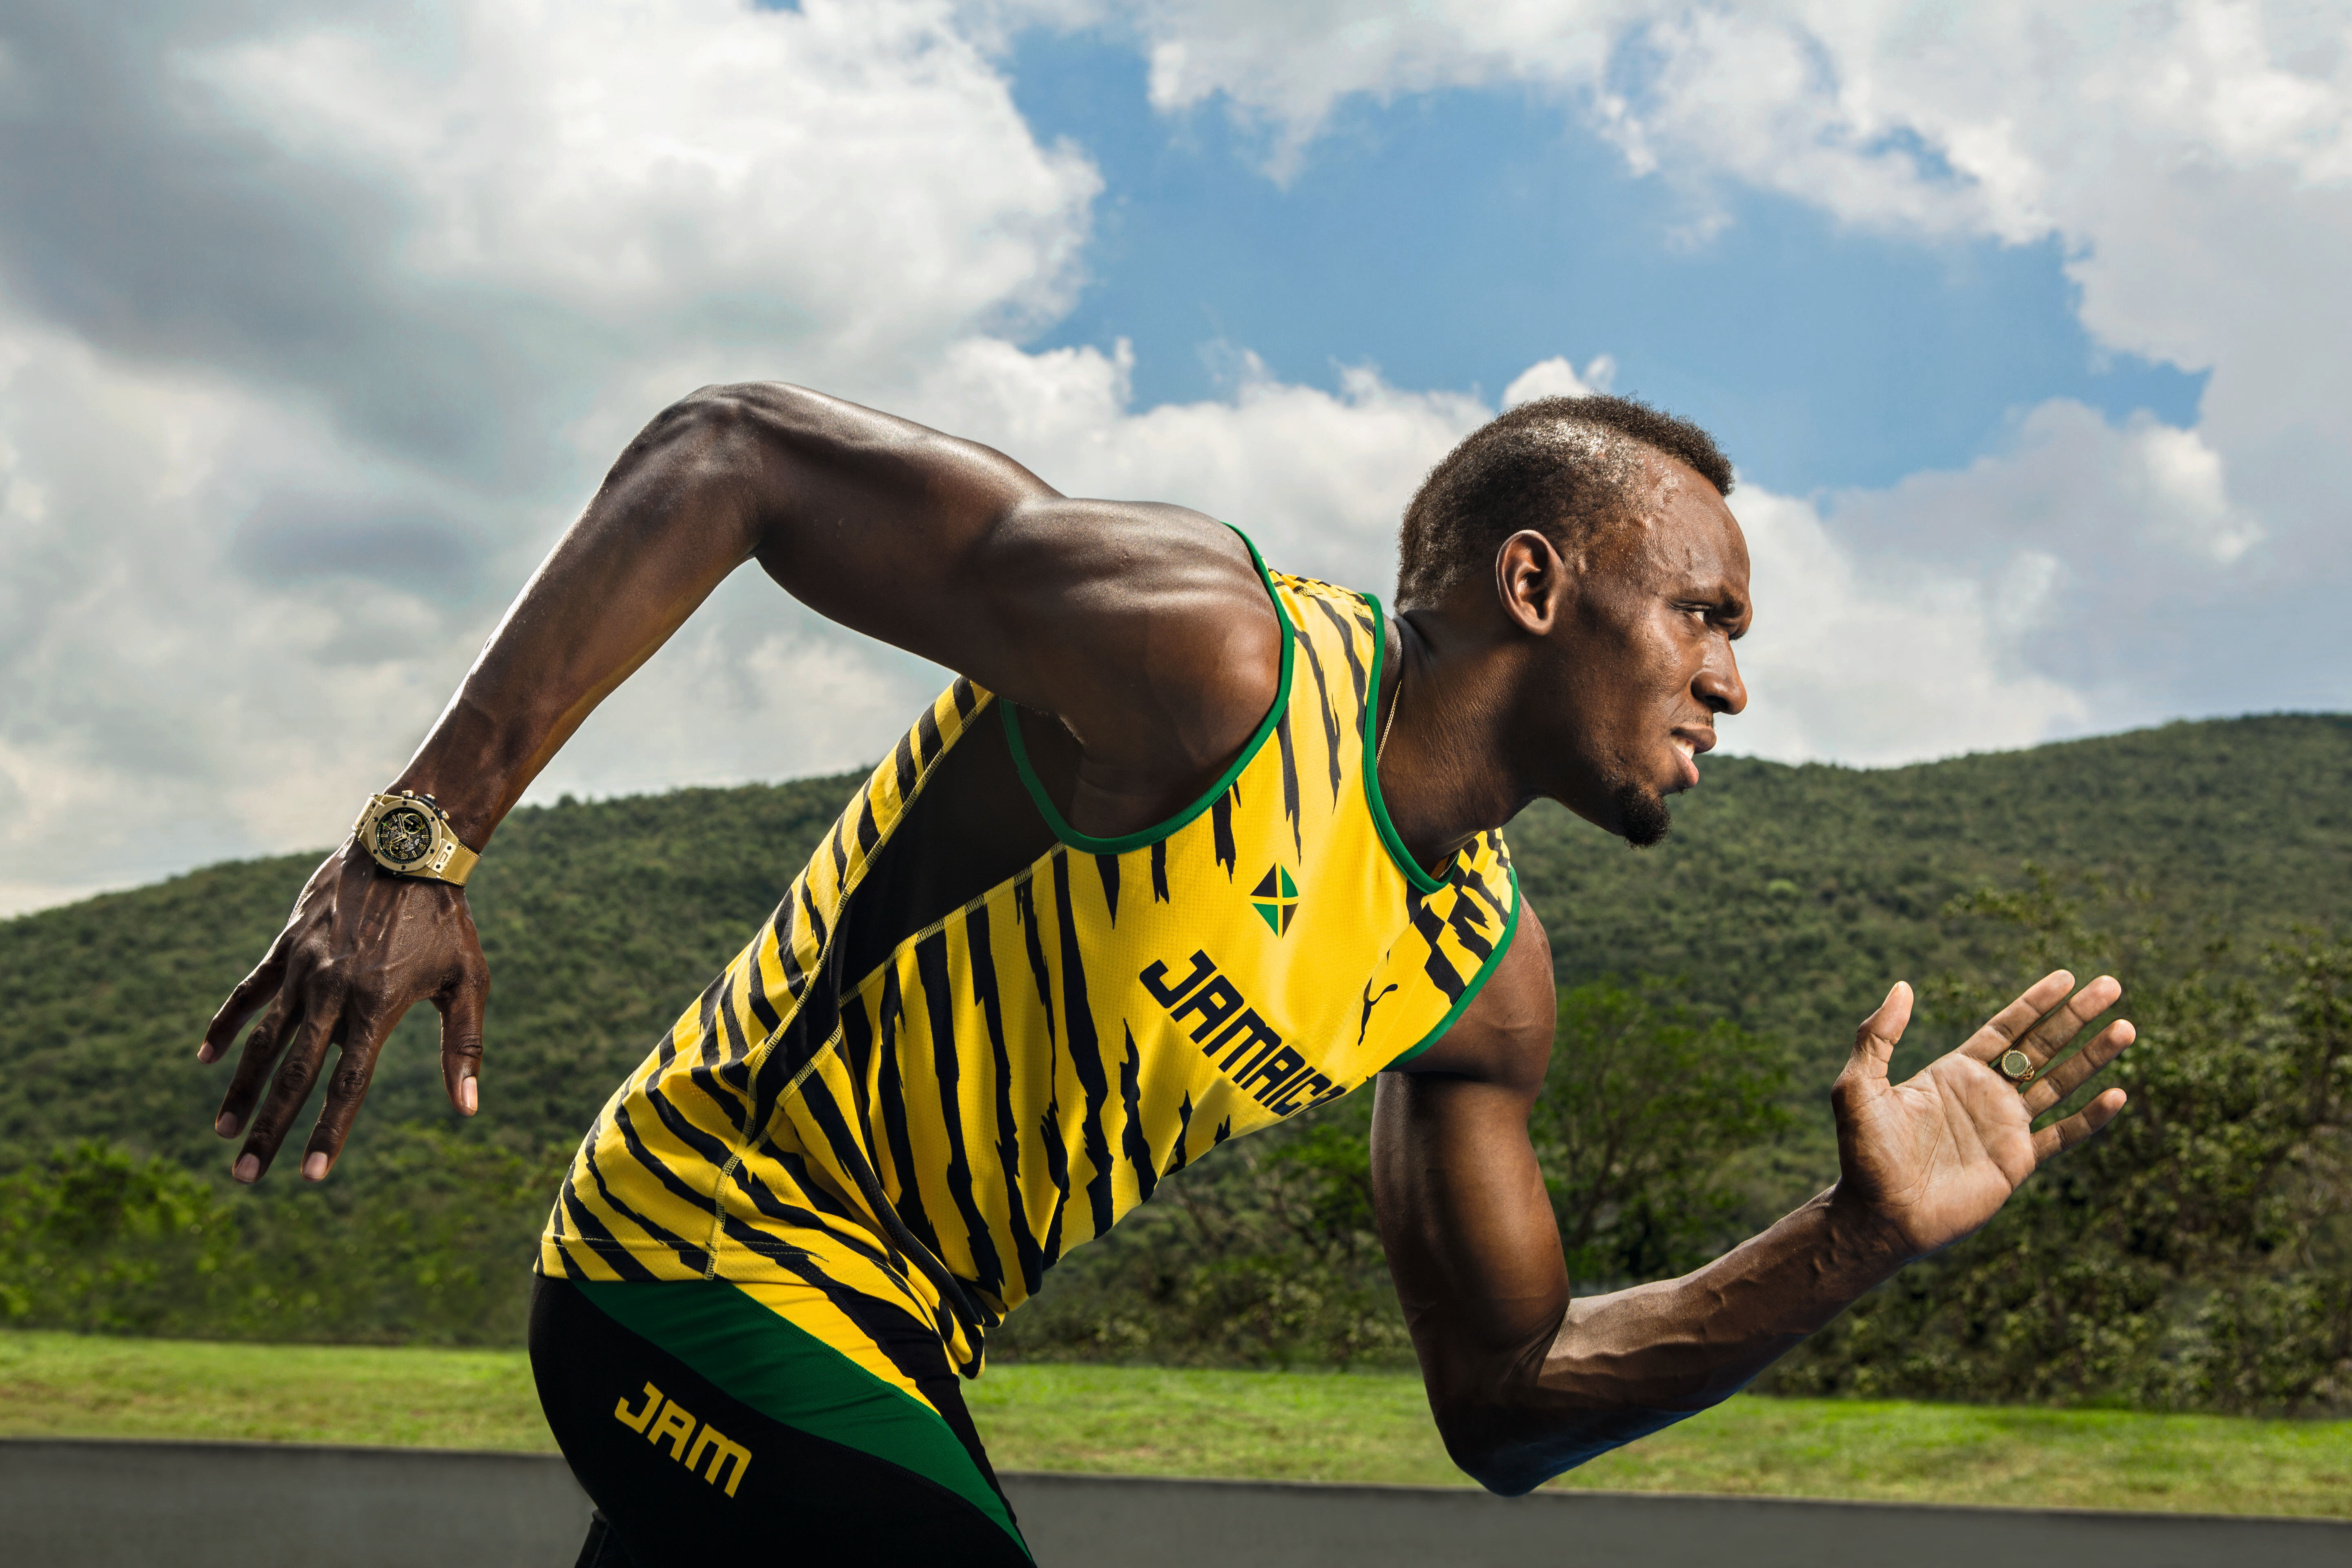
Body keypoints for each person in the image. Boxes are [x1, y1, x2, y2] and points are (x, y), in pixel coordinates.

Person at [199, 385, 2135, 1564]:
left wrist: (1852, 1241)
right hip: (699, 1257)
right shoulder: (1220, 668)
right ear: (1536, 586)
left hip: (893, 1360)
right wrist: (417, 847)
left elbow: (1510, 1403)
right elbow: (734, 457)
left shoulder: (1478, 974)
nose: (1734, 677)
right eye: (1706, 612)